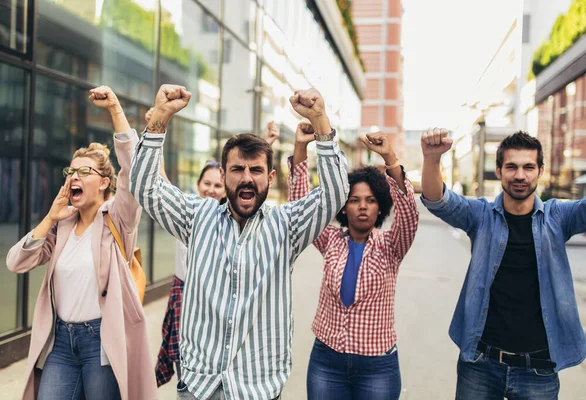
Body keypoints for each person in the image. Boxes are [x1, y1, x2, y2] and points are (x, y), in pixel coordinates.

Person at [130, 85, 349, 400]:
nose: (247, 178)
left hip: (256, 389)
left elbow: (335, 193)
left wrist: (320, 120)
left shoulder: (288, 226)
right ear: (223, 175)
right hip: (199, 387)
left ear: (270, 178)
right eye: (237, 169)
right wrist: (160, 118)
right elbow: (144, 186)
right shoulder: (197, 217)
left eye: (256, 170)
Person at [420, 128, 586, 399]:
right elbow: (438, 200)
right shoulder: (481, 215)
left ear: (540, 171)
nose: (520, 175)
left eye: (528, 167)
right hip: (481, 363)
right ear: (499, 170)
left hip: (538, 369)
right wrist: (432, 158)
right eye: (512, 166)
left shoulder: (558, 217)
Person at [6, 86, 156, 400]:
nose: (74, 176)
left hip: (100, 342)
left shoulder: (117, 217)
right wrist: (50, 216)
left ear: (103, 183)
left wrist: (115, 110)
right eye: (70, 171)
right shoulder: (61, 226)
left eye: (84, 171)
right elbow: (16, 262)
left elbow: (133, 172)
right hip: (60, 341)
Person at [288, 124, 419, 399]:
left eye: (370, 200)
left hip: (377, 365)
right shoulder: (331, 240)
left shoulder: (391, 246)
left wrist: (390, 159)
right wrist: (301, 148)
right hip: (327, 361)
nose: (362, 206)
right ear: (343, 207)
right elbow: (301, 210)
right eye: (354, 200)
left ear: (380, 206)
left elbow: (408, 214)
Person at [155, 121, 280, 387]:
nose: (211, 189)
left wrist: (267, 143)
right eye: (206, 184)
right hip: (184, 291)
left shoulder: (231, 220)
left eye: (216, 185)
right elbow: (159, 183)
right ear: (198, 185)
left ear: (225, 186)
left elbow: (252, 178)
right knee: (186, 359)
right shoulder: (188, 214)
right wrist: (158, 128)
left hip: (216, 298)